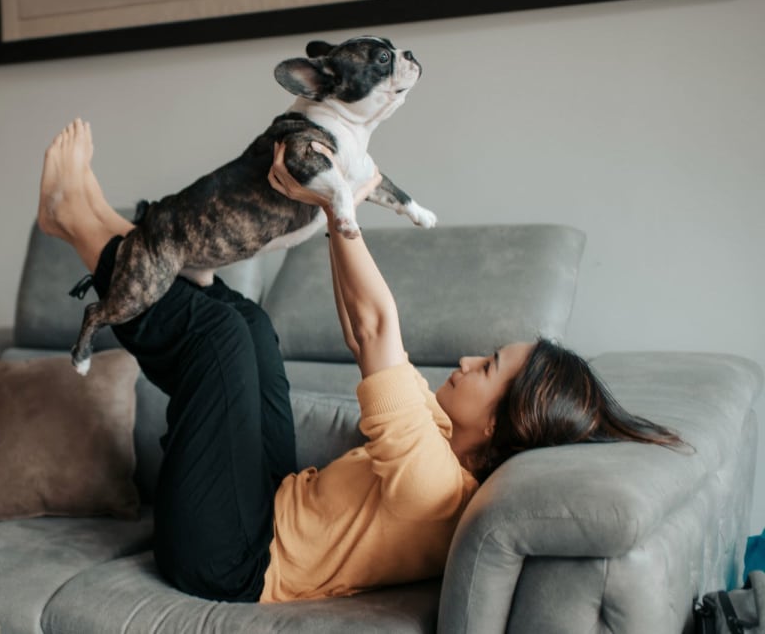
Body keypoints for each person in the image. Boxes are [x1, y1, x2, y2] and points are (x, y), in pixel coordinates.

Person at [36, 118, 684, 604]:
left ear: (496, 426)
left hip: (227, 562)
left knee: (218, 342)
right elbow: (360, 324)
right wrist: (331, 211)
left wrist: (338, 209)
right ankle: (95, 222)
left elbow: (374, 329)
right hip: (263, 504)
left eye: (487, 368)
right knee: (250, 326)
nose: (464, 360)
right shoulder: (436, 441)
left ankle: (79, 224)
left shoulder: (433, 485)